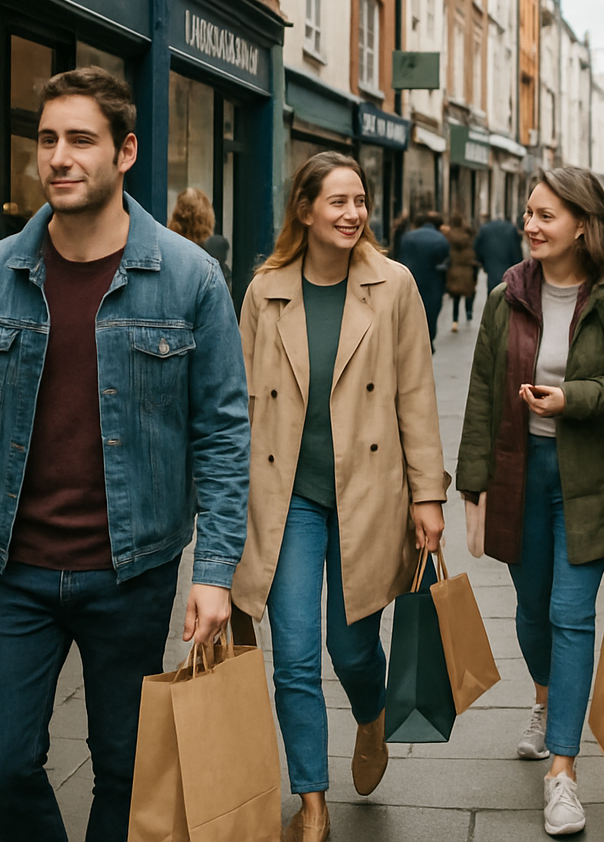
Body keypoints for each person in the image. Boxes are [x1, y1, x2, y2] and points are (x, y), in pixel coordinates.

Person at [0, 67, 250, 842]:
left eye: (81, 140)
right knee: (0, 765)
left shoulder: (190, 277)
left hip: (132, 569)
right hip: (14, 570)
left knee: (124, 770)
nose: (60, 157)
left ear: (125, 152)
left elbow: (225, 432)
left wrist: (214, 573)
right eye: (48, 140)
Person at [232, 152, 448, 842]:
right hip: (285, 494)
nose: (354, 213)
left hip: (367, 493)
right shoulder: (265, 290)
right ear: (305, 211)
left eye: (360, 201)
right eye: (338, 202)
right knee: (293, 655)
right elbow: (235, 405)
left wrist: (429, 495)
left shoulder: (394, 286)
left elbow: (416, 393)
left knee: (352, 652)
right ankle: (312, 799)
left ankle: (371, 713)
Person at [457, 168, 604, 837]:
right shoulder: (507, 296)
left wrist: (572, 399)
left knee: (569, 613)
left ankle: (563, 771)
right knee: (531, 612)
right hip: (518, 472)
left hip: (586, 476)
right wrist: (469, 485)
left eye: (545, 215)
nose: (531, 224)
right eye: (528, 213)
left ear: (583, 224)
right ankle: (546, 699)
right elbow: (478, 391)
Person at [397, 211, 451, 348]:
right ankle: (428, 342)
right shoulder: (440, 239)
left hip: (408, 280)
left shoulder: (408, 237)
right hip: (432, 283)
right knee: (430, 314)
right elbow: (445, 262)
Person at [445, 211, 479, 331]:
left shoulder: (449, 235)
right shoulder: (467, 235)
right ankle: (468, 312)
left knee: (456, 295)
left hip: (455, 267)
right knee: (469, 291)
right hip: (467, 267)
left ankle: (455, 320)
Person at [474, 214, 525, 293]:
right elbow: (516, 253)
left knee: (493, 295)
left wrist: (483, 263)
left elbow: (477, 248)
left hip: (492, 269)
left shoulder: (485, 229)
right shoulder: (511, 229)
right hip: (508, 271)